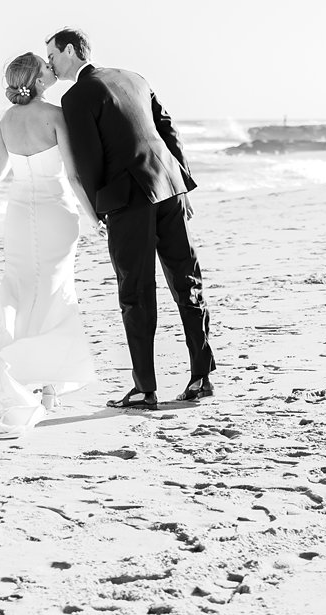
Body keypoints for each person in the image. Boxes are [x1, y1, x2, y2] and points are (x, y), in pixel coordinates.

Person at [45, 27, 216, 411]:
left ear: (69, 51)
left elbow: (88, 162)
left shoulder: (76, 96)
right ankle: (201, 377)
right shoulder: (134, 77)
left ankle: (144, 389)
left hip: (128, 202)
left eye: (53, 56)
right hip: (168, 187)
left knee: (135, 295)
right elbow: (166, 127)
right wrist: (182, 183)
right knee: (186, 279)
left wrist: (95, 209)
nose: (51, 64)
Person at [0, 53, 99, 439]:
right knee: (55, 292)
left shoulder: (5, 120)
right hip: (56, 214)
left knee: (19, 294)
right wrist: (95, 217)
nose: (51, 70)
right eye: (47, 69)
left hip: (18, 214)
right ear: (40, 81)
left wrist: (0, 135)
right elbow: (75, 175)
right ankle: (48, 387)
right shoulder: (57, 115)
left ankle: (22, 377)